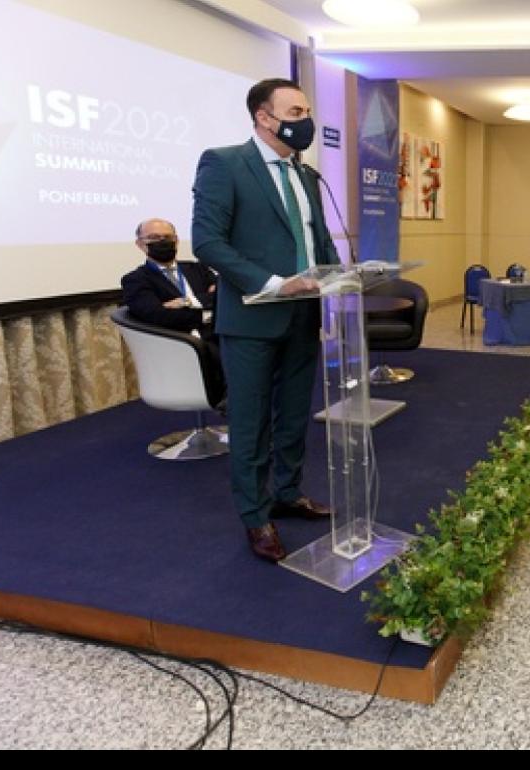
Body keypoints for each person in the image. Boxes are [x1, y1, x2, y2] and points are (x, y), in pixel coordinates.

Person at [191, 78, 339, 563]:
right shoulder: (225, 163)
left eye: (306, 111)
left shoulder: (306, 175)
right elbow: (208, 243)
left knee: (294, 416)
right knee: (252, 424)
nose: (305, 120)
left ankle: (287, 493)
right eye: (296, 111)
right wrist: (275, 283)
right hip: (253, 317)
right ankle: (256, 516)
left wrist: (343, 274)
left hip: (302, 317)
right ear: (264, 117)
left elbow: (318, 242)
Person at [121, 218, 217, 340]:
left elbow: (223, 296)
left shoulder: (198, 268)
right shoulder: (135, 280)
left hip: (218, 337)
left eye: (167, 237)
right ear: (140, 244)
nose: (162, 241)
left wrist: (189, 301)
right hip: (179, 343)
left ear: (176, 241)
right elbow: (158, 316)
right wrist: (207, 314)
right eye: (154, 237)